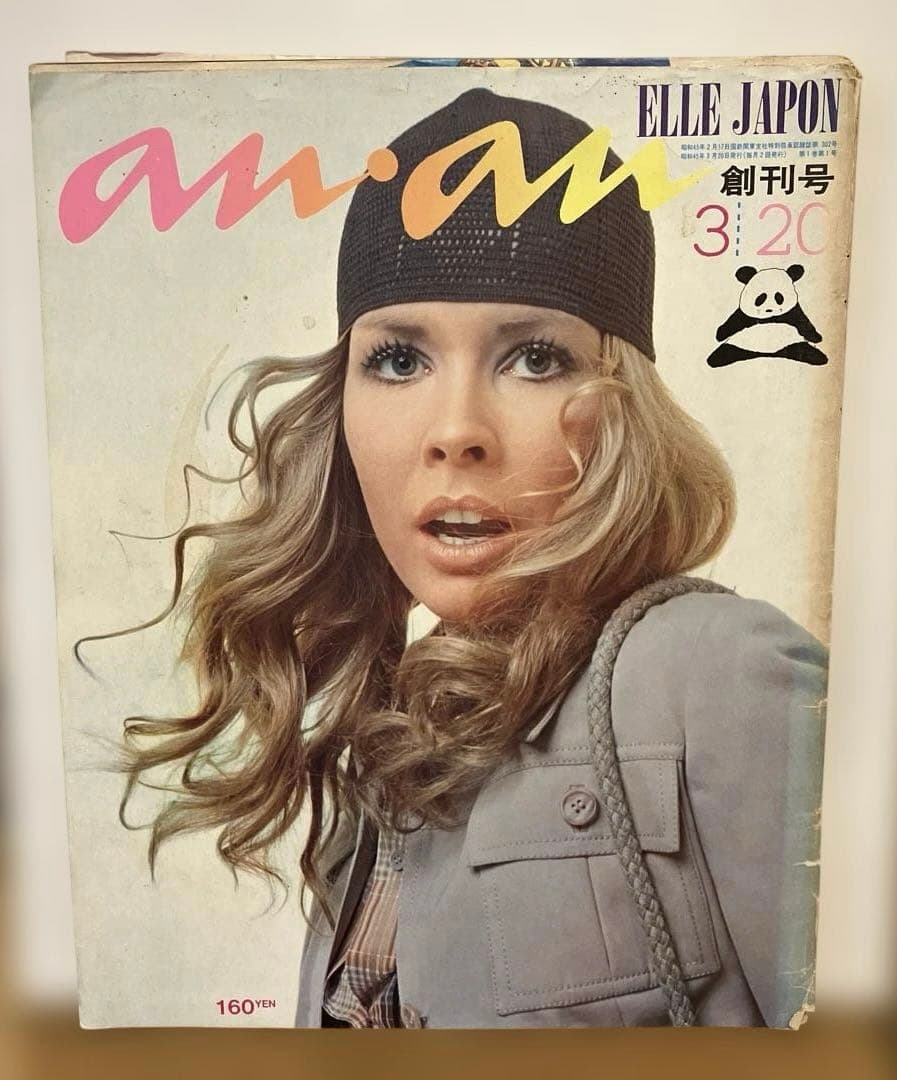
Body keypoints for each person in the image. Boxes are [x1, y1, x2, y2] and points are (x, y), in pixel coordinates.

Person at [119, 88, 827, 1029]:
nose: (456, 431)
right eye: (398, 360)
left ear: (620, 408)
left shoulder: (711, 669)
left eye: (534, 358)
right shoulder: (393, 738)